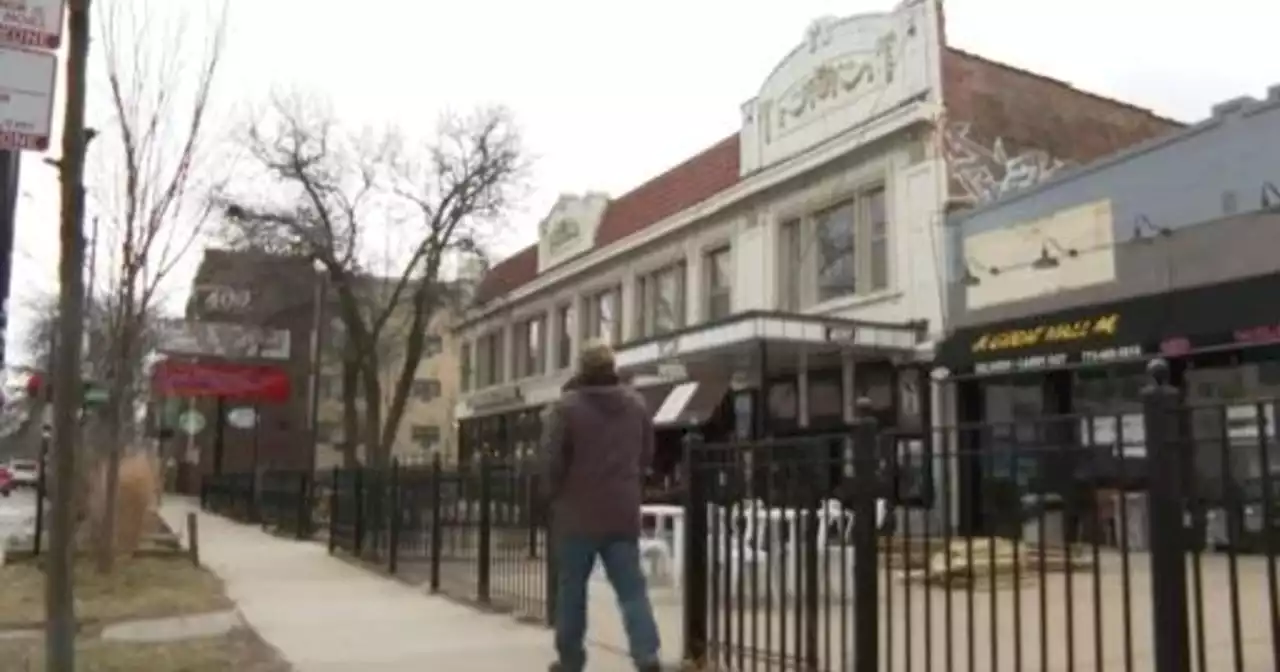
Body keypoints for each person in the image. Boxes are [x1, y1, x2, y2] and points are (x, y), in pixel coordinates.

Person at [539, 340, 662, 672]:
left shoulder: (565, 408)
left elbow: (552, 461)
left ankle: (571, 660)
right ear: (612, 368)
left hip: (576, 515)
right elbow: (647, 455)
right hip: (621, 512)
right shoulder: (636, 406)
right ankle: (646, 654)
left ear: (581, 369)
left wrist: (550, 495)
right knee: (632, 590)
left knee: (572, 592)